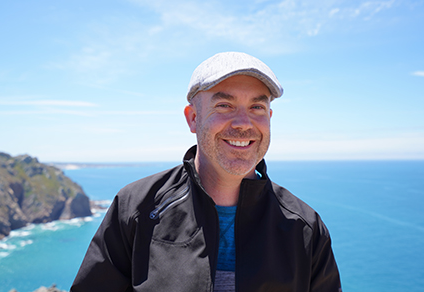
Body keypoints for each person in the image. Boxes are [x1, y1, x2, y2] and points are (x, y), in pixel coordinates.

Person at [70, 52, 342, 292]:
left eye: (257, 107)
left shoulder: (305, 228)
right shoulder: (136, 208)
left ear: (269, 118)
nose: (243, 123)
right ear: (193, 118)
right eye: (224, 105)